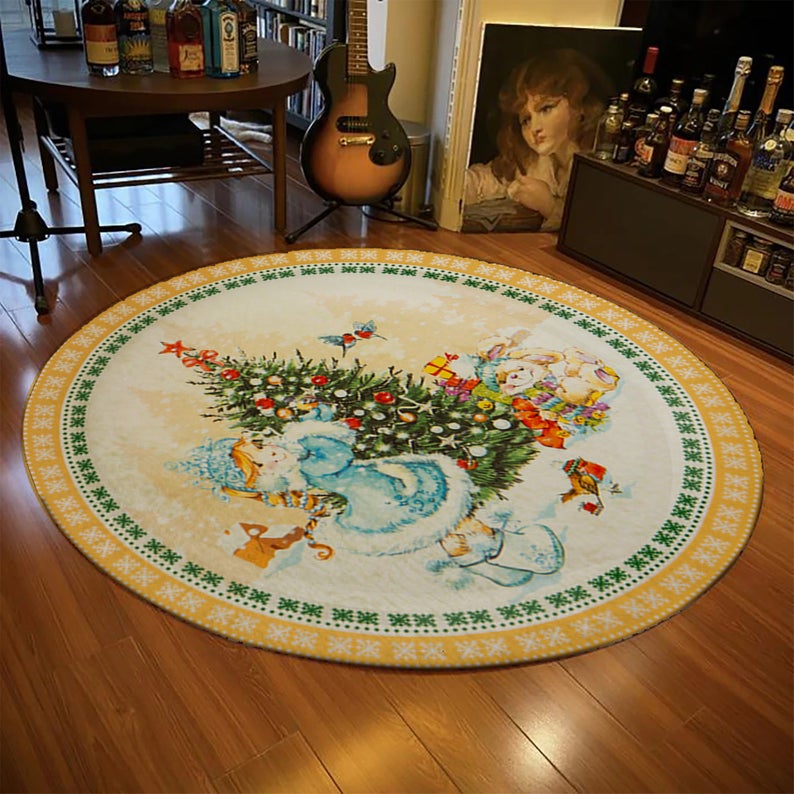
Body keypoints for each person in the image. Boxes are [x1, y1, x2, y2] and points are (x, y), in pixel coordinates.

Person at [464, 48, 614, 232]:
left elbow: (600, 232)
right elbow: (486, 180)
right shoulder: (532, 161)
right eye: (526, 119)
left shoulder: (598, 167)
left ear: (580, 105)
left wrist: (549, 206)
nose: (534, 128)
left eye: (546, 109)